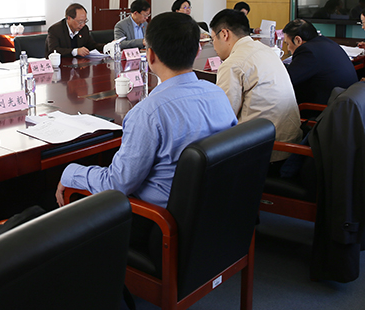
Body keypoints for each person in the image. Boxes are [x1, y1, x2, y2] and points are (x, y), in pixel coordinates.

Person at [55, 12, 236, 209]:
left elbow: (117, 184)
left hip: (161, 218)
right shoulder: (218, 95)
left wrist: (71, 173)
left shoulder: (149, 113)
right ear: (198, 51)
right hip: (220, 205)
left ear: (150, 55)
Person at [209, 9, 302, 164]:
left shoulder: (233, 64)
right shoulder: (267, 51)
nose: (213, 46)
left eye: (213, 39)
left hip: (264, 153)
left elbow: (223, 119)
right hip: (291, 145)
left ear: (224, 34)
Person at [282, 19, 359, 105]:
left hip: (325, 107)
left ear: (298, 40)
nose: (288, 49)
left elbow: (286, 81)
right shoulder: (325, 41)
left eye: (287, 44)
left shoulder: (308, 51)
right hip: (345, 102)